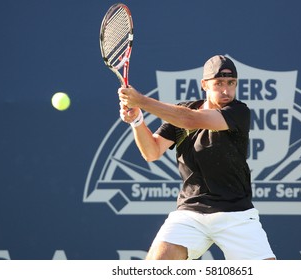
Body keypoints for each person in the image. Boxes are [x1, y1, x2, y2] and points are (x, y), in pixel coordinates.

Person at [118, 55, 275, 260]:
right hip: (191, 213)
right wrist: (137, 120)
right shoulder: (185, 108)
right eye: (218, 83)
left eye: (231, 83)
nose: (226, 90)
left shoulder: (238, 112)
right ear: (204, 85)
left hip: (236, 214)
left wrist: (141, 101)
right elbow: (152, 152)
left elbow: (190, 120)